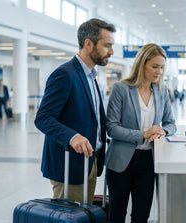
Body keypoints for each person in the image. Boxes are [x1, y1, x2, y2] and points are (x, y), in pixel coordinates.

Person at [34, 18, 116, 204]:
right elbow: (43, 118)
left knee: (83, 215)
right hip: (69, 164)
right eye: (107, 45)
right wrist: (73, 136)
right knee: (70, 217)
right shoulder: (65, 74)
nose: (111, 52)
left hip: (90, 162)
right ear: (88, 44)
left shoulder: (92, 76)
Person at [105, 43, 176, 223]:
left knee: (141, 215)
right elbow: (112, 127)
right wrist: (143, 134)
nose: (159, 71)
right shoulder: (121, 88)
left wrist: (163, 131)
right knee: (117, 214)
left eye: (161, 67)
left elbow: (170, 123)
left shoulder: (161, 91)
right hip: (121, 162)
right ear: (142, 63)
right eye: (154, 66)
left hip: (148, 161)